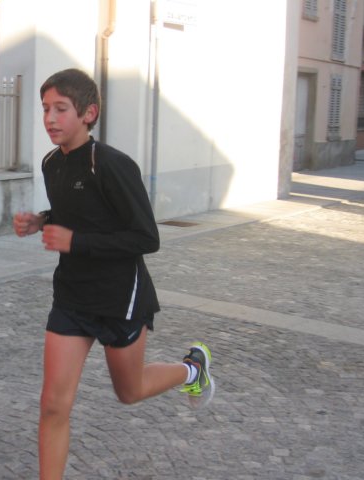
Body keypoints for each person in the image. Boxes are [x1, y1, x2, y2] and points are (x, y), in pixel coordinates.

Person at [12, 68, 215, 480]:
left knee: (129, 391)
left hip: (120, 297)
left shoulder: (113, 165)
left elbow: (146, 237)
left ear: (88, 113)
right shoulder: (52, 163)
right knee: (53, 405)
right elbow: (79, 213)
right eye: (45, 109)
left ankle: (193, 369)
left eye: (60, 109)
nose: (50, 118)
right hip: (72, 297)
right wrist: (43, 220)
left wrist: (76, 241)